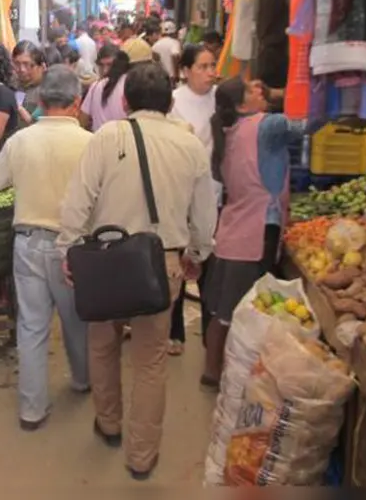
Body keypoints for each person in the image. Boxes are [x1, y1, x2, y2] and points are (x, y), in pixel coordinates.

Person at [58, 63, 216, 481]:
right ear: (169, 101)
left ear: (125, 101)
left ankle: (109, 424)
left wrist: (68, 249)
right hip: (162, 263)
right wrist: (197, 254)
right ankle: (141, 456)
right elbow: (203, 212)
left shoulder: (107, 137)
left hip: (106, 258)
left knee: (103, 343)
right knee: (150, 361)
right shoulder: (190, 144)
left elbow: (78, 200)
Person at [0, 66, 92, 432]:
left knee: (31, 327)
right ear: (76, 103)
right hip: (75, 249)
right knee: (78, 321)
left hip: (28, 244)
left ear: (42, 101)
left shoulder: (22, 141)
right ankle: (81, 379)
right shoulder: (91, 144)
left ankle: (31, 410)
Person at [202, 78, 306, 389]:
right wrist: (286, 91)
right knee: (241, 312)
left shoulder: (229, 131)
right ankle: (228, 375)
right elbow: (305, 125)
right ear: (241, 105)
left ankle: (212, 372)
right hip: (256, 232)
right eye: (251, 90)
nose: (259, 90)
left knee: (221, 311)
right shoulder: (266, 126)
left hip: (231, 230)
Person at [166, 44, 220, 355]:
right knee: (177, 263)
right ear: (186, 71)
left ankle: (209, 337)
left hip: (212, 189)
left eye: (212, 65)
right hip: (179, 191)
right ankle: (175, 333)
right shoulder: (173, 102)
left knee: (208, 263)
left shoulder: (219, 100)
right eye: (202, 66)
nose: (210, 72)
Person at [80, 39, 153, 132]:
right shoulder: (138, 88)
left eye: (110, 65)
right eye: (101, 65)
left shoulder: (96, 86)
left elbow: (82, 121)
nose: (105, 70)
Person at [12, 41, 47, 125]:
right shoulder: (14, 85)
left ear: (41, 67)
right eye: (17, 64)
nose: (21, 69)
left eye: (26, 64)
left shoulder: (48, 91)